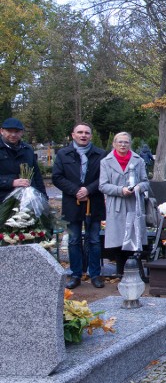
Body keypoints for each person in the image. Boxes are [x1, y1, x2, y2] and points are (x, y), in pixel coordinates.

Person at [52, 123, 108, 289]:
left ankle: (95, 274)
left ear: (90, 136)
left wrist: (88, 190)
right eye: (80, 132)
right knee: (74, 240)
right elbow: (57, 177)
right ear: (73, 135)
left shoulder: (100, 154)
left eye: (87, 133)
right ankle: (75, 274)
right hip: (72, 203)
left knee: (95, 240)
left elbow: (104, 177)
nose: (83, 135)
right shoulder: (63, 154)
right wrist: (76, 190)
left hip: (94, 202)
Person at [99, 132, 149, 278]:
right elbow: (102, 186)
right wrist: (120, 190)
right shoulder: (106, 162)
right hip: (116, 205)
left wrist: (138, 188)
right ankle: (120, 273)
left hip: (134, 203)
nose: (123, 145)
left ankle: (133, 273)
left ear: (130, 144)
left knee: (133, 239)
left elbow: (145, 181)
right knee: (119, 240)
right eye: (120, 142)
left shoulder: (138, 160)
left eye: (126, 142)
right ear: (114, 144)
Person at [0, 117, 46, 201]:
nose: (13, 134)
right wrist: (11, 182)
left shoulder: (27, 150)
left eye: (17, 131)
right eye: (9, 131)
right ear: (2, 131)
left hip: (27, 200)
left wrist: (43, 197)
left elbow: (36, 175)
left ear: (22, 132)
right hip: (3, 201)